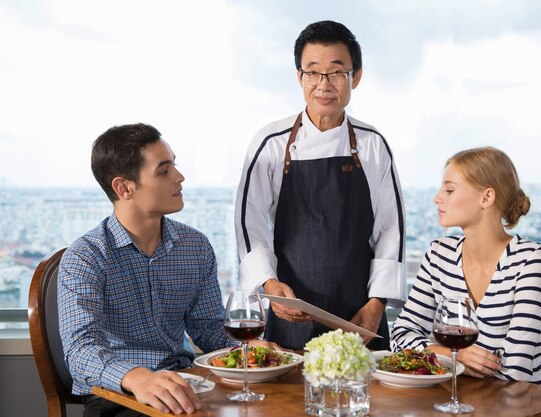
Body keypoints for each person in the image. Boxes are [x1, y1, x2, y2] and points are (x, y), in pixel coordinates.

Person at [58, 123, 275, 417]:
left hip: (187, 385)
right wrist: (137, 377)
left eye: (175, 165)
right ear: (124, 188)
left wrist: (256, 351)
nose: (179, 177)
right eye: (164, 171)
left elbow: (207, 327)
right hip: (118, 395)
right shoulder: (85, 257)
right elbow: (79, 350)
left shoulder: (195, 246)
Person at [234, 20, 406, 350]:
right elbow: (249, 223)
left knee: (366, 401)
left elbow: (391, 229)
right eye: (313, 72)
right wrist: (269, 284)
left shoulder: (373, 144)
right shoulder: (271, 142)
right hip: (293, 309)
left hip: (360, 315)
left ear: (355, 76)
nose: (323, 84)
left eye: (336, 72)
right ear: (299, 77)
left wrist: (377, 304)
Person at [391, 146, 541, 387]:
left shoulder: (531, 260)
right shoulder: (439, 254)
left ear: (486, 197)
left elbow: (515, 372)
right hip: (461, 396)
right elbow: (399, 336)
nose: (437, 198)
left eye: (449, 190)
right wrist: (454, 355)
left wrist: (436, 355)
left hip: (527, 403)